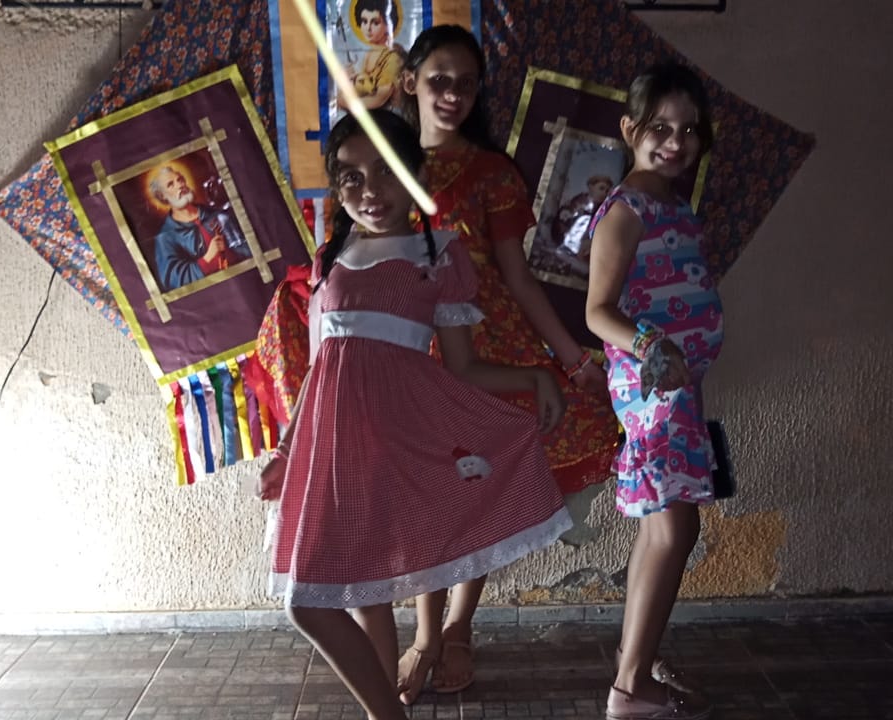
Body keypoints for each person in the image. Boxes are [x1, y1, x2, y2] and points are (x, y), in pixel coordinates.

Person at [256, 110, 573, 720]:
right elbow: (320, 369)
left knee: (310, 601)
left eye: (386, 172)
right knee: (353, 597)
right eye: (351, 177)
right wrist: (288, 450)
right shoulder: (329, 259)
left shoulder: (440, 255)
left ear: (417, 175)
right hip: (337, 454)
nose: (370, 190)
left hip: (403, 442)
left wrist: (536, 377)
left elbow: (462, 367)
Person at [394, 24, 622, 703]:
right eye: (439, 79)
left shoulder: (492, 173)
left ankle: (459, 626)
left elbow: (517, 276)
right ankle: (424, 634)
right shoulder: (384, 163)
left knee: (477, 491)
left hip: (488, 347)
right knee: (427, 497)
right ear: (409, 82)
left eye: (465, 83)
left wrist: (572, 360)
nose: (452, 94)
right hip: (407, 346)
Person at [584, 62, 721, 720]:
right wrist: (652, 348)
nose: (675, 142)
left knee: (662, 530)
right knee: (675, 528)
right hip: (652, 390)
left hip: (678, 389)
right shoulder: (626, 210)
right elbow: (598, 311)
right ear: (629, 129)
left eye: (689, 130)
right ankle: (630, 688)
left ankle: (632, 663)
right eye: (660, 128)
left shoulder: (674, 206)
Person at [148, 165, 252, 291]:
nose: (180, 185)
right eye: (171, 184)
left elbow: (249, 247)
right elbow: (174, 281)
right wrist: (207, 258)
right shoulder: (165, 237)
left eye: (180, 179)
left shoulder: (217, 214)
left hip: (246, 280)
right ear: (162, 195)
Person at [340, 0, 407, 112]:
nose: (368, 28)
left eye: (375, 23)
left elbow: (379, 98)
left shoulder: (393, 58)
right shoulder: (370, 53)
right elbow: (365, 89)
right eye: (364, 21)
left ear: (388, 25)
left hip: (388, 118)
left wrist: (346, 102)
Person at [555, 174, 614, 261]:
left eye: (606, 191)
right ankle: (568, 247)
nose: (603, 193)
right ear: (591, 187)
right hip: (571, 230)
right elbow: (569, 211)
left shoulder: (601, 208)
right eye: (601, 188)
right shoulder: (581, 200)